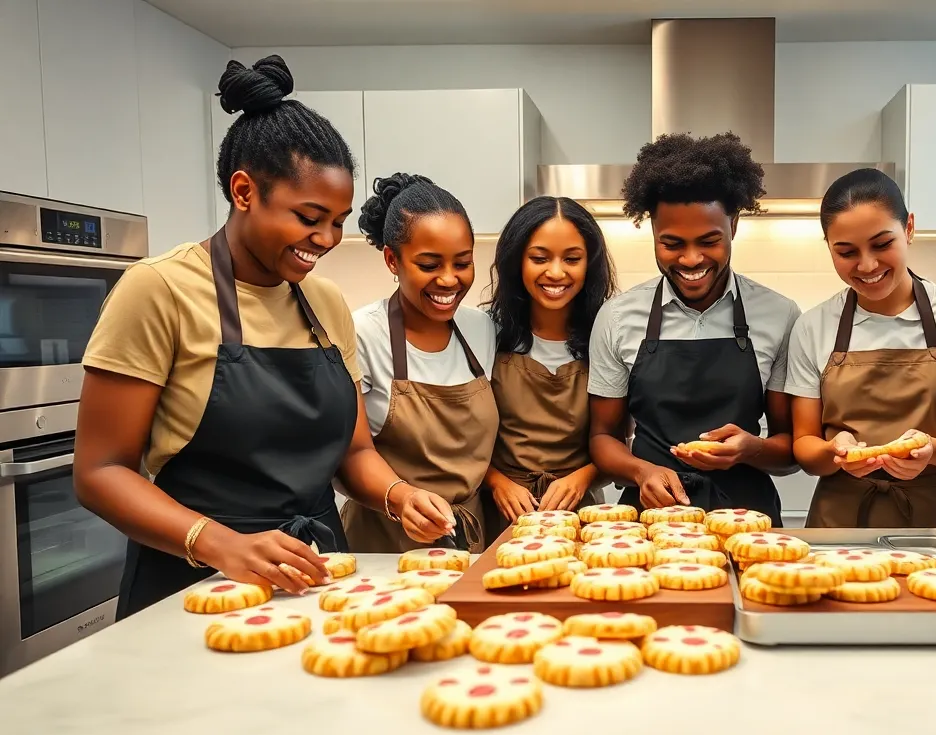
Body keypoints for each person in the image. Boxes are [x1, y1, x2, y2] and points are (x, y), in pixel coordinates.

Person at [73, 55, 455, 618]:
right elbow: (100, 472)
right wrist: (221, 543)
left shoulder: (324, 302)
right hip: (195, 585)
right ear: (245, 191)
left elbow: (352, 451)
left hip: (320, 577)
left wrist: (398, 497)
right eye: (308, 217)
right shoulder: (158, 290)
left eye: (338, 219)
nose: (326, 238)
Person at [587, 132, 802, 522]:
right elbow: (603, 438)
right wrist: (643, 471)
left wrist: (749, 448)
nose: (691, 259)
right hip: (648, 516)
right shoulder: (617, 318)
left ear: (734, 226)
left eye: (709, 241)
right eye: (672, 243)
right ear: (651, 230)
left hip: (746, 518)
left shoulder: (779, 315)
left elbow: (791, 450)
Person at [787, 169, 936, 529]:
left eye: (882, 244)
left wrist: (934, 450)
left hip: (930, 525)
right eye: (846, 252)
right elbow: (805, 446)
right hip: (837, 523)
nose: (867, 265)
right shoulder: (813, 326)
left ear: (910, 228)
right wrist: (834, 452)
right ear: (829, 248)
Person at [340, 173, 499, 554]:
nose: (449, 280)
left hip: (469, 540)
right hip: (383, 542)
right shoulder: (361, 334)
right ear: (393, 260)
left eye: (462, 263)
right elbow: (348, 457)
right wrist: (402, 498)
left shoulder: (482, 330)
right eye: (429, 265)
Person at [481, 197, 619, 535]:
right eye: (539, 258)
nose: (556, 272)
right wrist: (498, 483)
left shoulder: (609, 334)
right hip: (501, 514)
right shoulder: (484, 334)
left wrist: (582, 477)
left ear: (590, 264)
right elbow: (460, 441)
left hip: (579, 515)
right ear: (516, 262)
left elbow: (617, 441)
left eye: (572, 259)